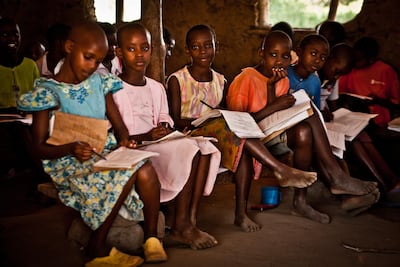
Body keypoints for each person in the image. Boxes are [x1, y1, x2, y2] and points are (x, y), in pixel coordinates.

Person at [16, 21, 167, 263]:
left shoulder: (100, 83)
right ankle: (96, 248)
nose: (92, 66)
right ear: (68, 47)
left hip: (104, 151)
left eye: (98, 61)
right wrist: (70, 148)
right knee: (127, 173)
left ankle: (152, 239)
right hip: (68, 160)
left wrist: (126, 142)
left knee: (145, 168)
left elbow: (120, 128)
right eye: (87, 57)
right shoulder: (47, 91)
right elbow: (38, 147)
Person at [167, 24, 318, 233]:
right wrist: (200, 120)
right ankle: (280, 169)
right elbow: (174, 119)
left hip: (219, 135)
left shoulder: (221, 81)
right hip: (191, 134)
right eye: (196, 47)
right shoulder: (177, 80)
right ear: (187, 51)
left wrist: (217, 117)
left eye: (207, 46)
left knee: (242, 150)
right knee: (234, 131)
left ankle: (241, 214)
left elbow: (231, 114)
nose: (203, 52)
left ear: (216, 47)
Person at [227, 31, 379, 223]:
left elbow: (274, 115)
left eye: (284, 56)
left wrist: (271, 89)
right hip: (247, 138)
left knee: (305, 130)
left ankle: (301, 201)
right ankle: (336, 176)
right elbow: (236, 125)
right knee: (310, 109)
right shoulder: (246, 78)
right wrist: (275, 105)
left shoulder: (281, 81)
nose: (279, 61)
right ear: (261, 53)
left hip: (268, 133)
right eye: (273, 55)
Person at [113, 22, 221, 250]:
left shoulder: (155, 87)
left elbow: (165, 117)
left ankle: (188, 221)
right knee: (189, 148)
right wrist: (146, 135)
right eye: (131, 49)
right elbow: (115, 133)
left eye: (145, 47)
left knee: (203, 145)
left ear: (153, 49)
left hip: (157, 144)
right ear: (119, 52)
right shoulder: (113, 88)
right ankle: (182, 225)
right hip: (131, 148)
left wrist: (163, 126)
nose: (140, 54)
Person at [319, 43, 400, 195]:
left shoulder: (333, 78)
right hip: (318, 125)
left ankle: (392, 180)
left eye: (340, 75)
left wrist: (343, 117)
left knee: (362, 134)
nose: (336, 77)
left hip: (328, 122)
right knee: (354, 139)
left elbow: (334, 106)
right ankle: (384, 185)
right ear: (328, 59)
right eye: (336, 72)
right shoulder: (314, 77)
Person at [339, 36, 400, 128]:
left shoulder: (386, 71)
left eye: (359, 60)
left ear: (371, 59)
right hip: (353, 119)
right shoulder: (349, 69)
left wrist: (378, 101)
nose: (355, 63)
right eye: (354, 59)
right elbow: (339, 94)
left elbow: (396, 103)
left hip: (379, 121)